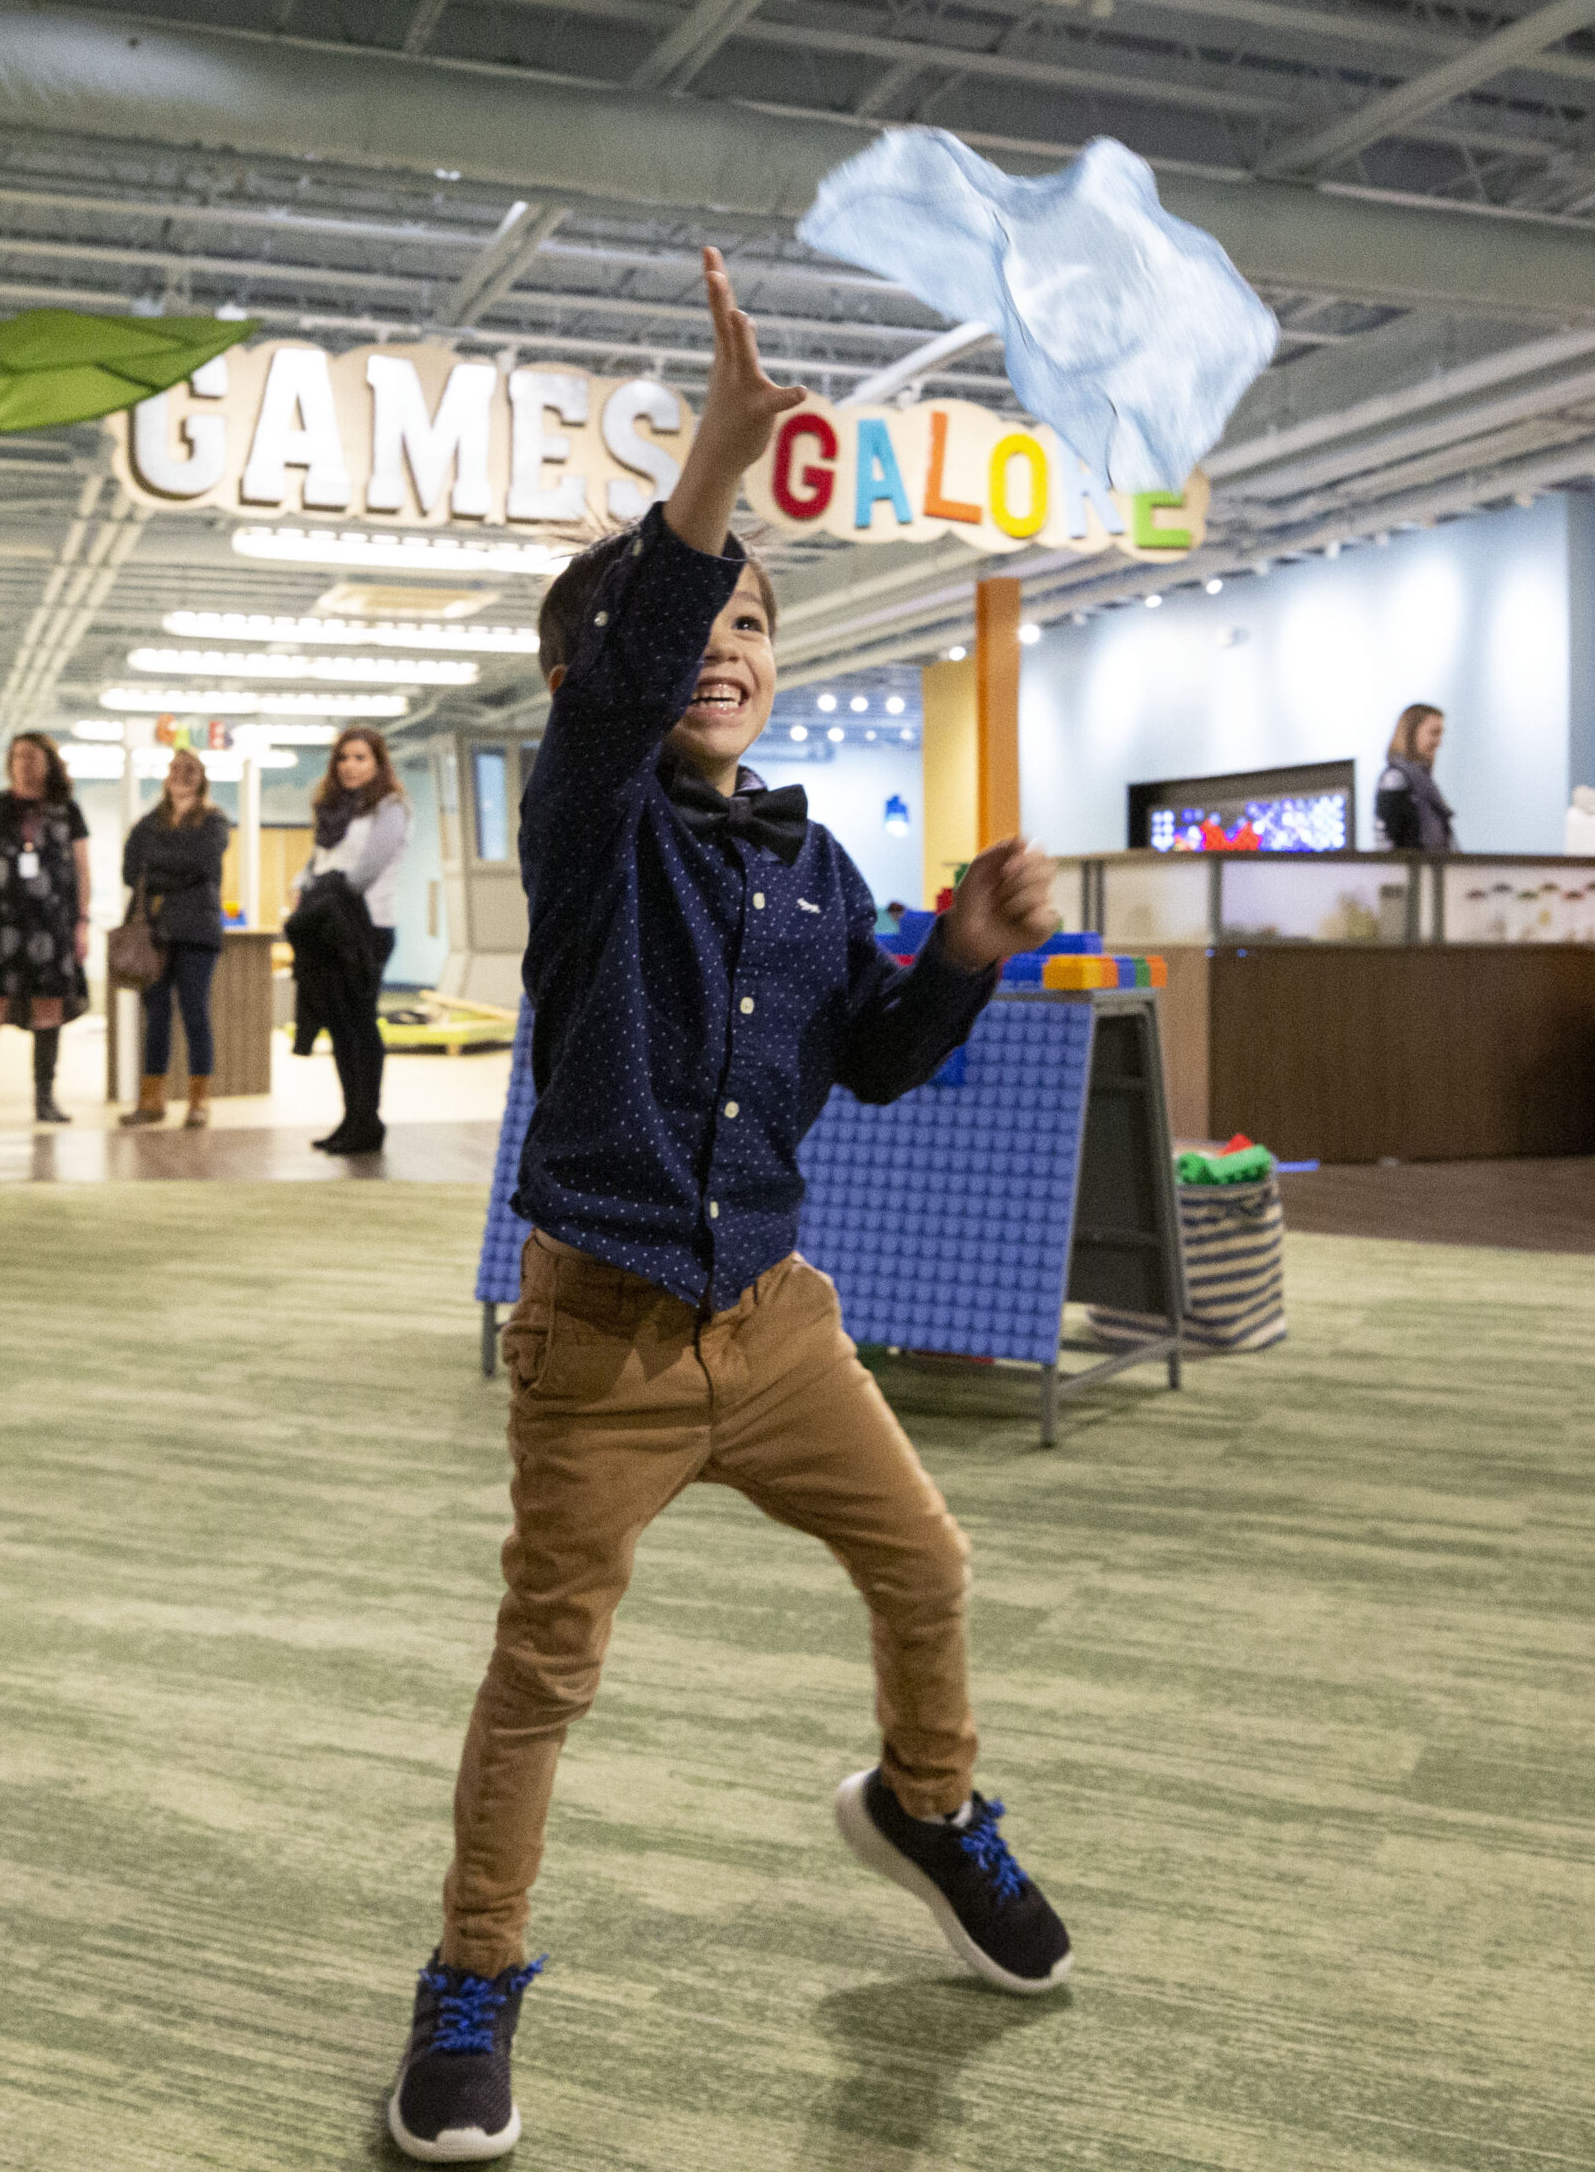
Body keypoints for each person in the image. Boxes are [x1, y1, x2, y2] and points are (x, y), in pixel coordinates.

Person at [384, 252, 1069, 2164]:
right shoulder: (587, 829)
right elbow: (627, 674)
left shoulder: (812, 861)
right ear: (591, 677)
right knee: (545, 1674)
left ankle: (929, 1807)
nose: (725, 644)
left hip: (773, 1327)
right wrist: (716, 468)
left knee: (928, 1566)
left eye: (755, 618)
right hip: (596, 1338)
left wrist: (962, 956)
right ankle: (470, 1976)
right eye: (691, 621)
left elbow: (866, 1063)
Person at [0, 732, 91, 1125]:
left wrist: (82, 923)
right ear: (9, 762)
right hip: (1, 923)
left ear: (48, 762)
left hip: (53, 923)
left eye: (33, 756)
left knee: (49, 1008)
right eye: (18, 756)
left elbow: (83, 871)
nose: (25, 763)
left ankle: (45, 1099)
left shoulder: (67, 810)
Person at [298, 727, 410, 1157]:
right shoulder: (332, 810)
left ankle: (369, 1122)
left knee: (360, 1024)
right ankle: (350, 1120)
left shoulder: (391, 807)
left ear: (378, 762)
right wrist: (303, 887)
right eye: (343, 758)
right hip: (329, 928)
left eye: (361, 757)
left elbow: (365, 870)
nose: (350, 765)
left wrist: (323, 890)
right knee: (340, 1028)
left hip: (368, 928)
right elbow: (318, 861)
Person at [119, 748, 231, 1129]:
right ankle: (151, 1101)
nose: (182, 775)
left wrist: (162, 867)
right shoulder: (147, 824)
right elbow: (131, 870)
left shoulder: (214, 821)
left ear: (202, 777)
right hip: (153, 931)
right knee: (157, 1017)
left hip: (197, 933)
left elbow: (205, 865)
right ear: (166, 776)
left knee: (195, 1012)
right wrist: (179, 869)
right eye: (176, 769)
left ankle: (200, 1101)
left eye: (191, 770)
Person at [1374, 702, 1457, 850]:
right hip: (1408, 871)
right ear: (1411, 733)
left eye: (1440, 734)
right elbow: (1388, 841)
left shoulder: (1423, 782)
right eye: (1433, 733)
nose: (1438, 742)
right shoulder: (1395, 779)